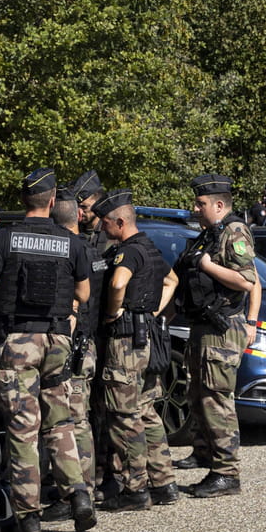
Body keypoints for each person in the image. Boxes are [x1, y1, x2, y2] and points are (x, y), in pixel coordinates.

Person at [0, 168, 95, 532]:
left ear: (24, 201)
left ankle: (29, 518)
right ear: (52, 201)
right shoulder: (72, 242)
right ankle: (79, 495)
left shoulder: (4, 237)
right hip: (57, 341)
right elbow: (83, 296)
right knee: (60, 423)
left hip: (18, 341)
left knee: (22, 428)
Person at [174, 174, 257, 498]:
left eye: (201, 203)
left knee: (217, 400)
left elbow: (247, 280)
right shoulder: (210, 234)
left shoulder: (235, 233)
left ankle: (226, 473)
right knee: (198, 394)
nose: (195, 208)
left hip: (222, 330)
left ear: (219, 205)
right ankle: (204, 452)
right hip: (203, 328)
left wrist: (207, 266)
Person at [95, 188, 177, 511]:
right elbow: (172, 281)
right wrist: (153, 311)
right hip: (145, 340)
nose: (102, 228)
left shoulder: (127, 252)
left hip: (126, 343)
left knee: (124, 416)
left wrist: (114, 310)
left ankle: (135, 488)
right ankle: (164, 482)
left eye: (105, 223)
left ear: (119, 221)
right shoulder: (152, 249)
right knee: (146, 411)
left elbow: (117, 284)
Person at [43, 188, 109, 516]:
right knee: (80, 420)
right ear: (78, 216)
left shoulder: (67, 253)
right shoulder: (91, 251)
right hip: (91, 341)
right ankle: (85, 488)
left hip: (75, 345)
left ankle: (78, 494)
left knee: (73, 420)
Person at [71, 170, 104, 246]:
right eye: (76, 206)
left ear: (98, 203)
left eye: (84, 207)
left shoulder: (110, 232)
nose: (79, 212)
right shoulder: (73, 229)